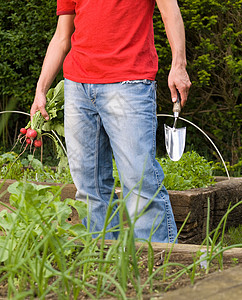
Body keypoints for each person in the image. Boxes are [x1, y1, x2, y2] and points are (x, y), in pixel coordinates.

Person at [30, 0, 192, 243]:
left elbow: (169, 11)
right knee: (89, 188)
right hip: (78, 88)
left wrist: (178, 65)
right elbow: (62, 37)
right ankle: (100, 265)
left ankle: (159, 268)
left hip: (129, 83)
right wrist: (41, 88)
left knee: (140, 185)